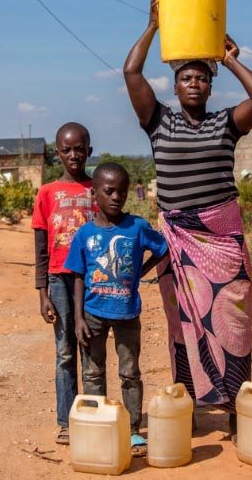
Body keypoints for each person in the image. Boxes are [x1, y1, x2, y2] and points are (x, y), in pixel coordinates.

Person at [123, 0, 252, 436]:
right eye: (186, 78)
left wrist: (227, 59)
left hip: (223, 246)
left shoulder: (226, 122)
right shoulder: (157, 121)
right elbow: (131, 70)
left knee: (233, 324)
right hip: (180, 246)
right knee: (183, 327)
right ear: (174, 86)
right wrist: (152, 27)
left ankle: (235, 409)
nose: (193, 83)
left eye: (202, 78)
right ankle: (186, 406)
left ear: (210, 86)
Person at [64, 162, 169, 457]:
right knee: (93, 373)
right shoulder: (85, 234)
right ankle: (100, 425)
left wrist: (139, 272)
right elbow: (78, 276)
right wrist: (78, 318)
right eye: (109, 191)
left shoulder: (137, 227)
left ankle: (133, 429)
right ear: (95, 193)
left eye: (121, 192)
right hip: (93, 314)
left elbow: (163, 250)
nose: (116, 197)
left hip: (127, 314)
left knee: (130, 373)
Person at [31, 122, 97, 445]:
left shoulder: (96, 189)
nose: (74, 155)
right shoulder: (47, 193)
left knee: (90, 346)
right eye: (67, 149)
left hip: (92, 280)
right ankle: (67, 420)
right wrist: (42, 293)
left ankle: (92, 413)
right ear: (57, 153)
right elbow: (41, 249)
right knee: (64, 351)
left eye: (80, 148)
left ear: (90, 151)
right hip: (58, 279)